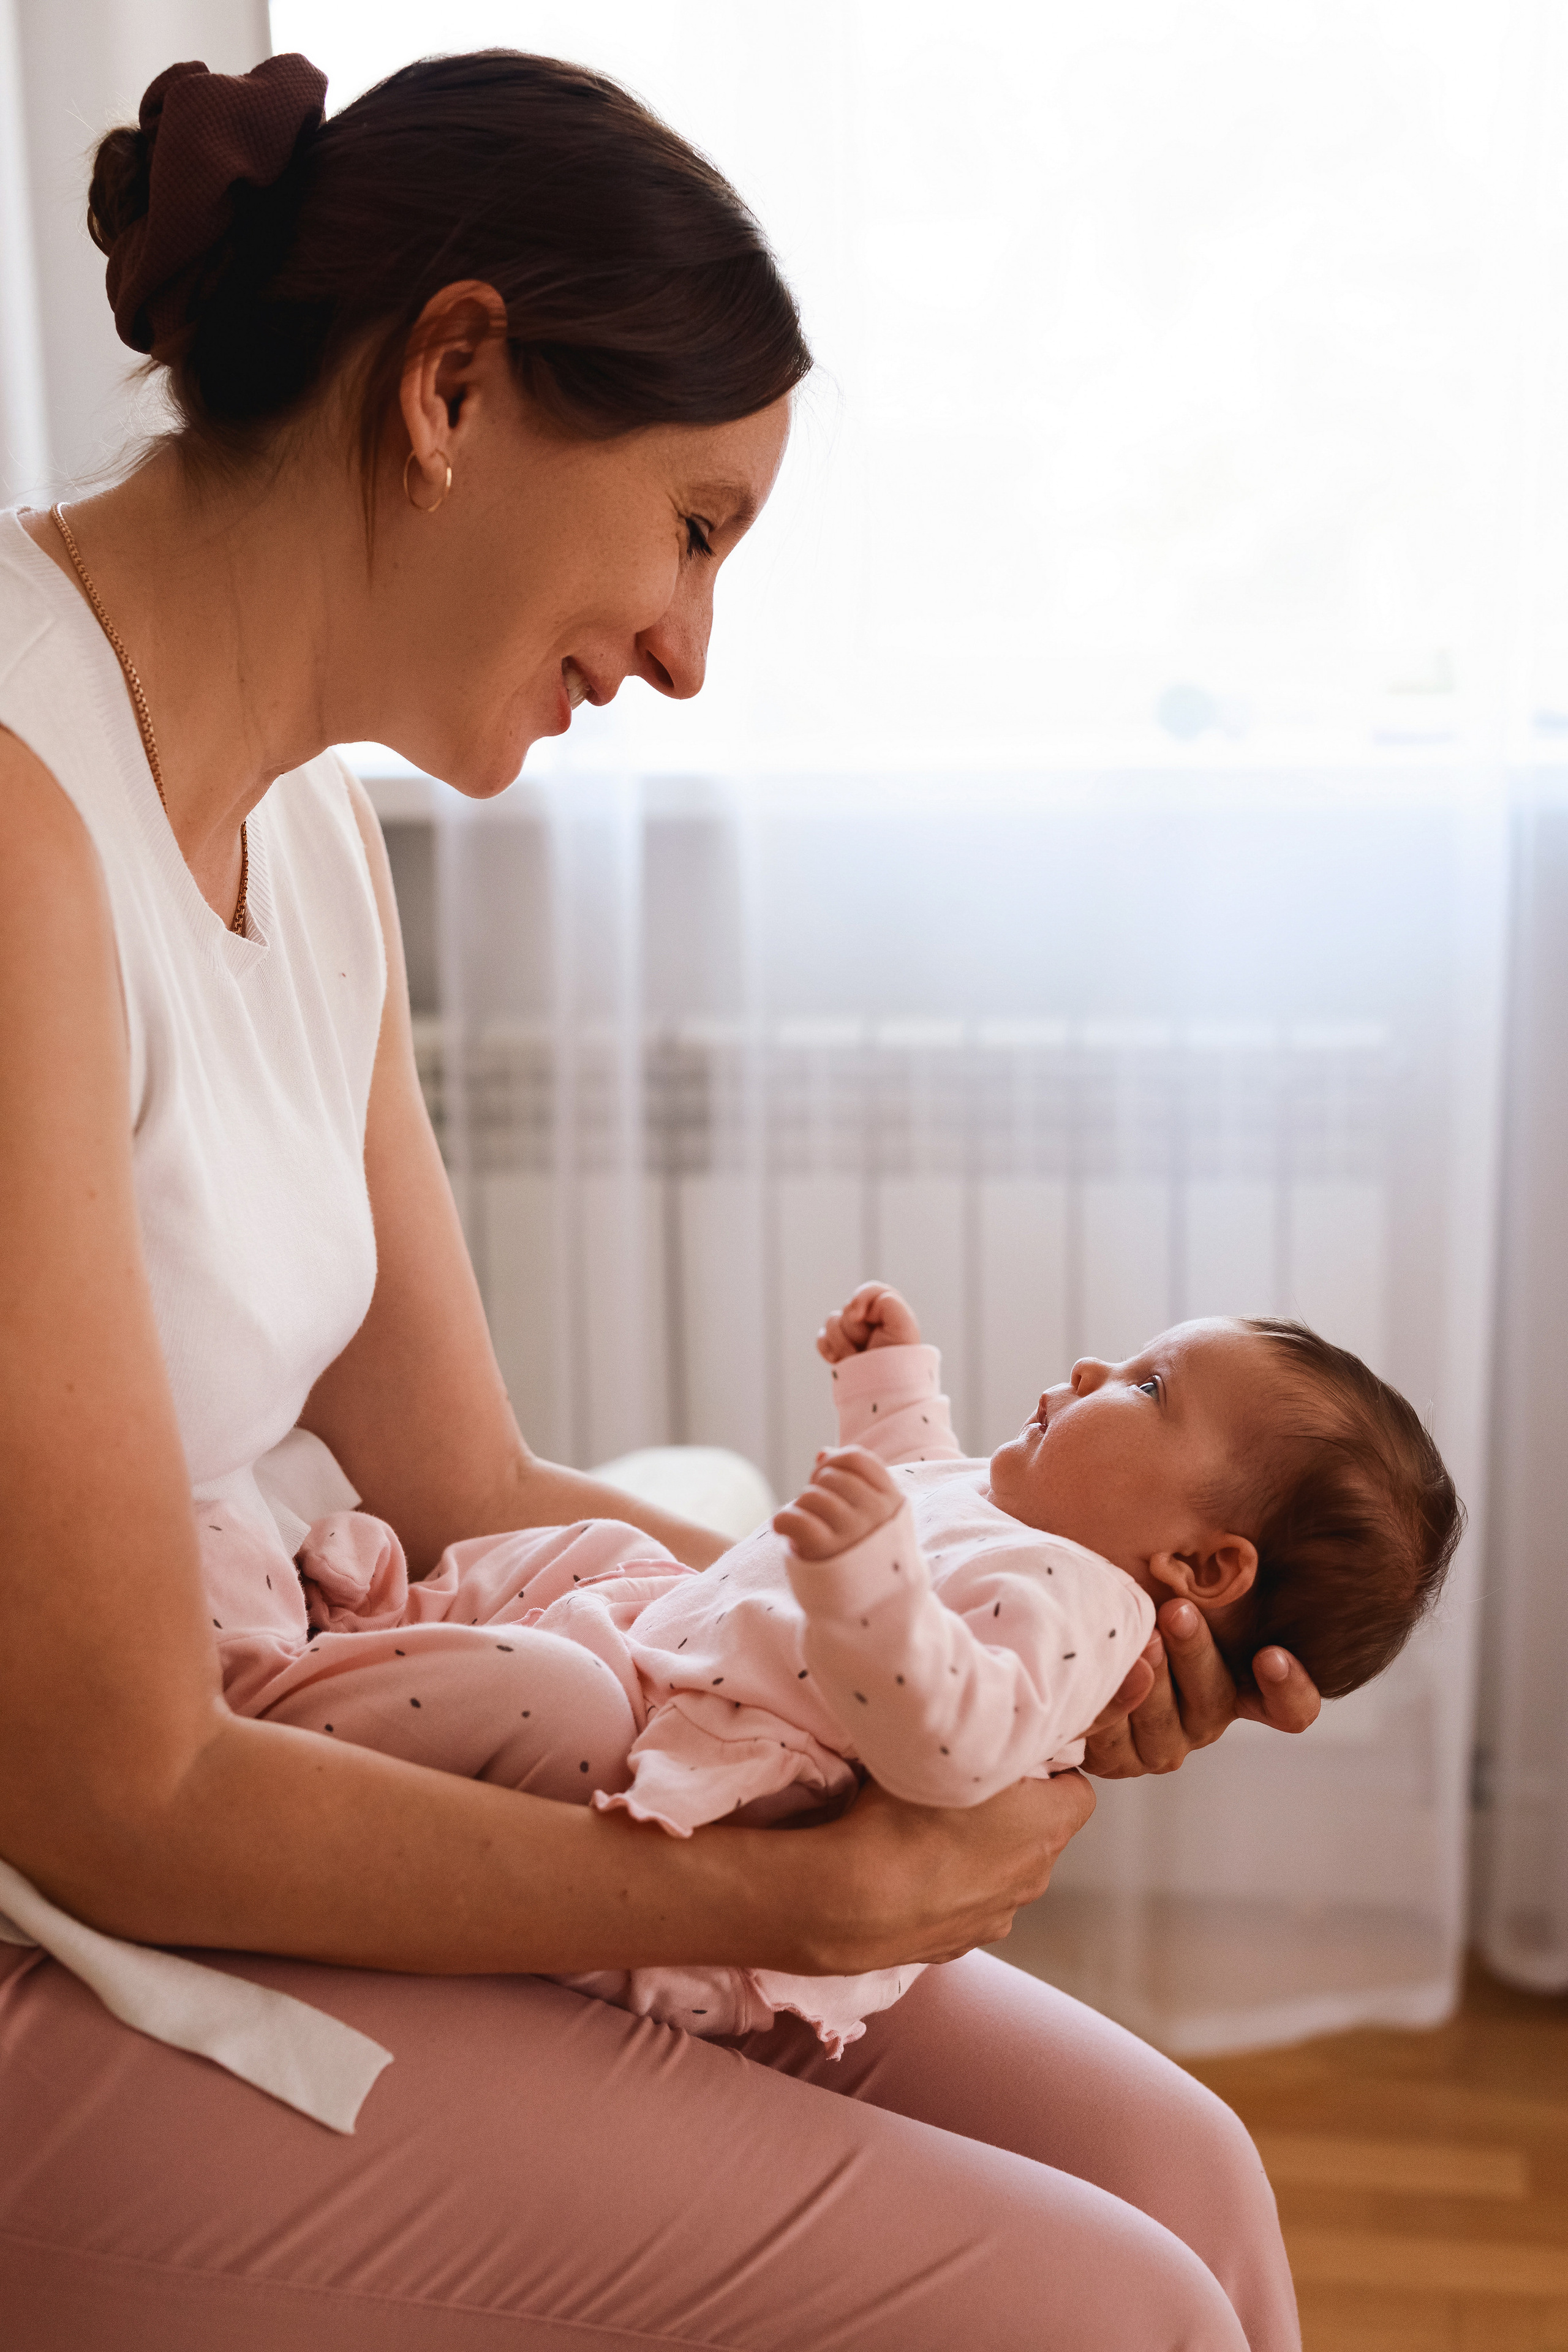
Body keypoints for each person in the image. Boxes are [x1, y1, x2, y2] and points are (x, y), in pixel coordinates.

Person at [0, 48, 1321, 2351]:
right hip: (71, 1919)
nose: (693, 654)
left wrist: (979, 1625)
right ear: (453, 385)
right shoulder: (19, 830)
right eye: (696, 528)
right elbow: (118, 1797)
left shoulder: (309, 828)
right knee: (1103, 2312)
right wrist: (806, 1906)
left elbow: (461, 1482)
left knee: (1182, 2179)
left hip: (260, 1755)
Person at [223, 1280, 1457, 2062]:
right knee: (602, 1551)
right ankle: (395, 1622)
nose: (1092, 1372)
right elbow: (911, 1478)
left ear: (1200, 1564)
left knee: (551, 1692)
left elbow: (953, 1739)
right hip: (683, 1681)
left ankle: (274, 1700)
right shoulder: (1022, 1520)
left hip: (708, 1811)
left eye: (1146, 1388)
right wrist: (889, 1383)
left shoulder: (1083, 1612)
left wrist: (869, 1590)